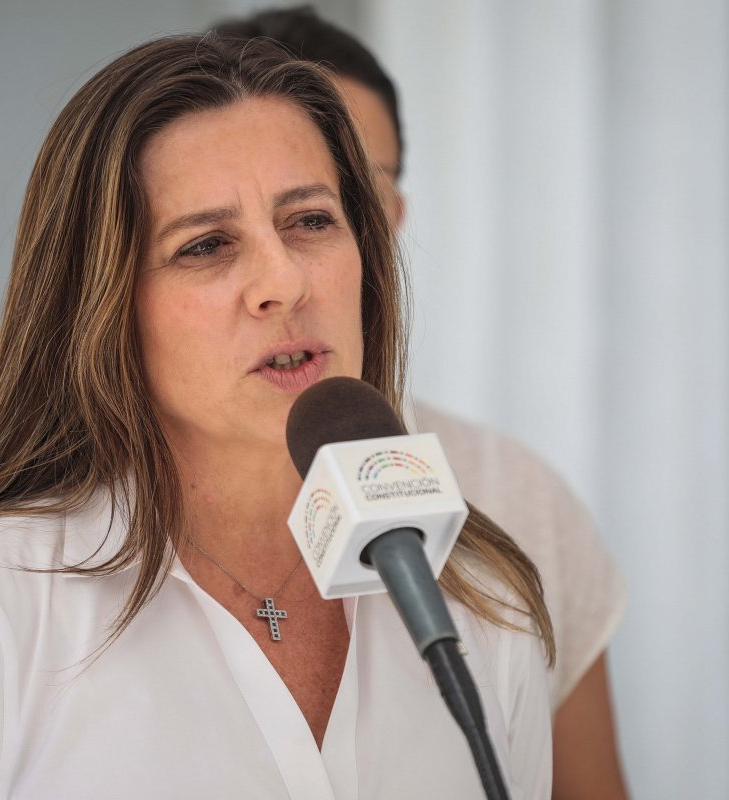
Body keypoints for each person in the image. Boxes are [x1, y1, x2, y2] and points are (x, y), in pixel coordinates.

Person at [0, 33, 556, 798]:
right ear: (102, 304)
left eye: (310, 221)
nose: (284, 282)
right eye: (206, 245)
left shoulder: (484, 610)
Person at [213, 7, 629, 799]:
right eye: (215, 236)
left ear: (391, 215)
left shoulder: (518, 504)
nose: (285, 273)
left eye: (325, 207)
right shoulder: (19, 575)